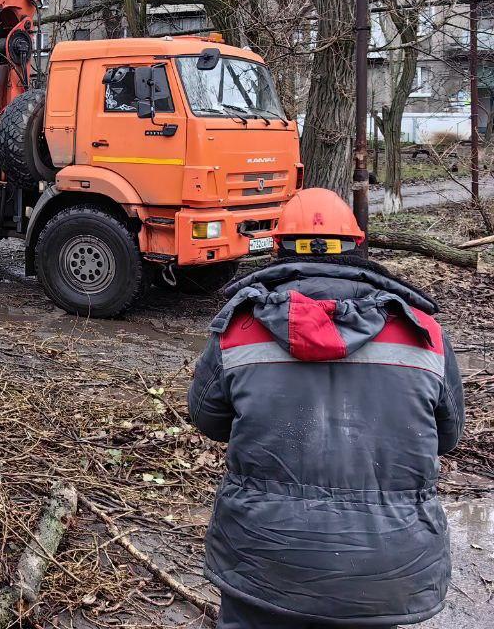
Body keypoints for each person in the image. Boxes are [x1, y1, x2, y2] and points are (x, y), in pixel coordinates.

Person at [188, 188, 464, 629]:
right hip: (385, 567)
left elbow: (208, 418)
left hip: (264, 557)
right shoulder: (423, 333)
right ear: (358, 246)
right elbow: (447, 436)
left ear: (276, 248)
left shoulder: (239, 329)